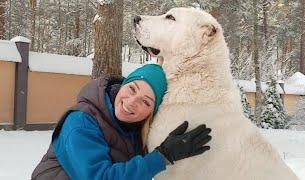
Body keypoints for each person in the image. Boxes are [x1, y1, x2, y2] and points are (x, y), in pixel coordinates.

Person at [31, 64, 212, 180]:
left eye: (146, 101)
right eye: (132, 89)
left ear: (151, 112)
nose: (132, 101)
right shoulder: (81, 121)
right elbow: (99, 178)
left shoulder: (135, 131)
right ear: (122, 85)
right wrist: (163, 156)